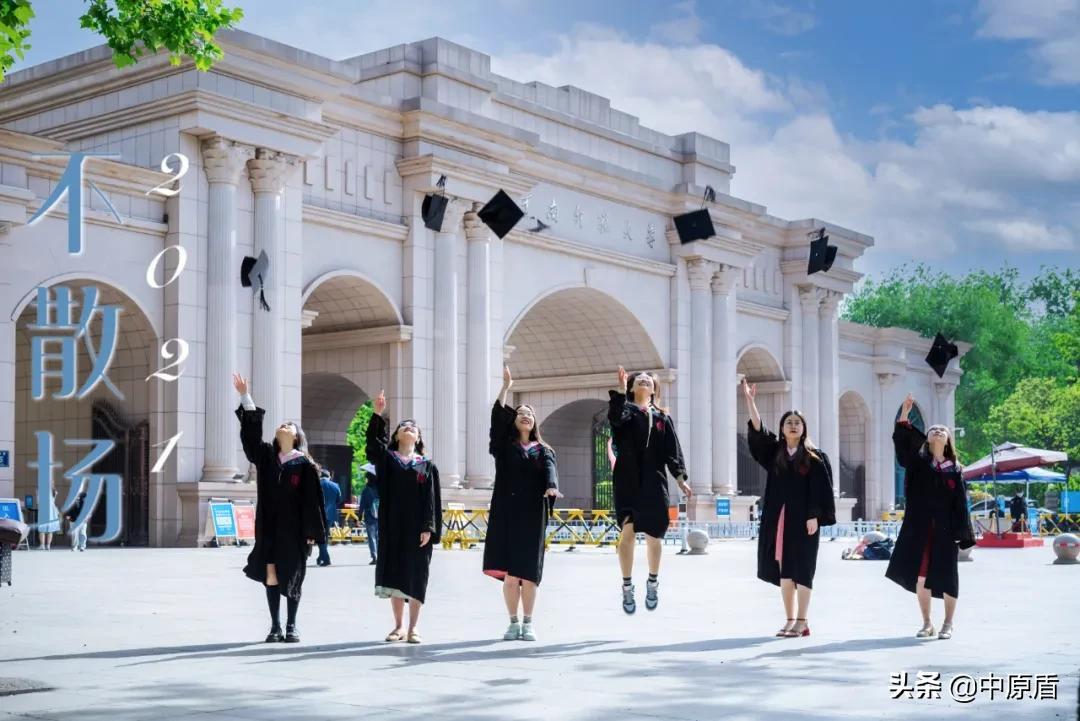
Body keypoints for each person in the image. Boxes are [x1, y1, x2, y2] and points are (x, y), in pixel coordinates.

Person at [233, 373, 326, 644]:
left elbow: (312, 502)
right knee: (271, 573)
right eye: (281, 424)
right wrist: (245, 397)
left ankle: (292, 625)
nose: (282, 426)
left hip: (295, 530)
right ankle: (275, 626)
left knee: (293, 574)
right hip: (269, 527)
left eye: (288, 425)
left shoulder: (305, 466)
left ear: (297, 436)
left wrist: (312, 532)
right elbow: (250, 440)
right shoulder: (266, 457)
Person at [743, 378, 836, 638]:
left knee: (803, 568)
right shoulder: (776, 453)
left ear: (804, 428)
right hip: (780, 518)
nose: (793, 425)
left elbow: (822, 491)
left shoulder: (816, 458)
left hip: (805, 520)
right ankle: (789, 619)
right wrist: (750, 402)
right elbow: (759, 433)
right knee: (784, 567)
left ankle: (803, 621)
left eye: (797, 422)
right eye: (788, 422)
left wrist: (815, 517)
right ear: (782, 429)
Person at [886, 393, 975, 641]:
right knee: (922, 575)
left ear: (947, 439)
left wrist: (962, 534)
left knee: (948, 575)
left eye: (941, 430)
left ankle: (948, 623)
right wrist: (904, 413)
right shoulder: (918, 462)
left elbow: (961, 505)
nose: (936, 431)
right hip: (920, 527)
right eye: (932, 429)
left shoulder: (955, 470)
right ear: (927, 436)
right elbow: (902, 444)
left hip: (945, 529)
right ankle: (927, 623)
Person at [484, 366, 562, 642]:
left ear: (535, 422)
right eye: (521, 413)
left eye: (530, 414)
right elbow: (496, 421)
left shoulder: (544, 450)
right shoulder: (504, 448)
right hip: (507, 513)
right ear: (514, 421)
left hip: (532, 515)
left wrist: (552, 486)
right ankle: (513, 622)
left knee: (528, 574)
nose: (526, 416)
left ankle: (529, 623)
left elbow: (550, 471)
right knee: (510, 575)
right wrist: (506, 387)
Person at [609, 366, 690, 614]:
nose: (644, 380)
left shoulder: (663, 419)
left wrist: (680, 478)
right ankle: (626, 585)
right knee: (628, 532)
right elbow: (615, 420)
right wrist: (621, 393)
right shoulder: (625, 412)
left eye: (648, 380)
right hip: (627, 479)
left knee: (655, 535)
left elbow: (672, 451)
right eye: (639, 380)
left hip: (654, 482)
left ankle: (653, 580)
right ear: (632, 388)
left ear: (654, 389)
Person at [366, 390, 442, 644]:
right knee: (397, 574)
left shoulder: (425, 465)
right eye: (403, 426)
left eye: (413, 427)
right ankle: (398, 627)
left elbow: (430, 499)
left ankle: (414, 627)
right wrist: (377, 413)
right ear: (396, 435)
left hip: (417, 529)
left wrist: (428, 527)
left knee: (417, 574)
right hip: (392, 524)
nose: (408, 428)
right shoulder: (387, 460)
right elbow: (373, 446)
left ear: (418, 437)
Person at [316, 470, 342, 567]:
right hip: (330, 515)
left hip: (318, 515)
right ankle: (321, 556)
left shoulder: (316, 484)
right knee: (325, 536)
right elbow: (338, 500)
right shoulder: (336, 486)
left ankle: (326, 558)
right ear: (329, 476)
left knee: (320, 537)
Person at [359, 465, 379, 565]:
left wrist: (359, 517)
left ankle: (374, 556)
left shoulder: (366, 490)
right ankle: (381, 556)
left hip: (369, 516)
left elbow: (362, 505)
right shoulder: (381, 489)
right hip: (380, 517)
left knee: (372, 538)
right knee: (379, 537)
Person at [64, 484, 88, 552]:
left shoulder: (85, 495)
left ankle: (82, 546)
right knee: (74, 533)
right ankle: (75, 546)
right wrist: (67, 515)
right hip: (73, 517)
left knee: (82, 533)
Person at [38, 484, 61, 550]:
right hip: (52, 511)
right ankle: (48, 545)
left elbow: (38, 502)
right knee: (50, 529)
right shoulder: (54, 491)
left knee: (42, 529)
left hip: (44, 510)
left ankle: (42, 545)